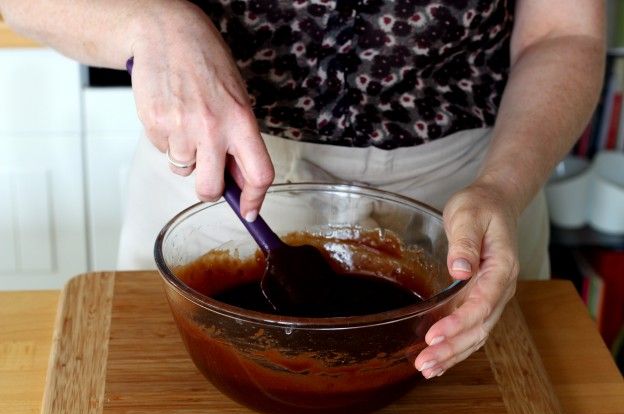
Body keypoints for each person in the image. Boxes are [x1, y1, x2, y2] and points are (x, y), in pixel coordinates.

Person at [0, 0, 605, 379]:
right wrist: (149, 20)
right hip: (213, 171)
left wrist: (501, 188)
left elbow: (565, 34)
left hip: (468, 191)